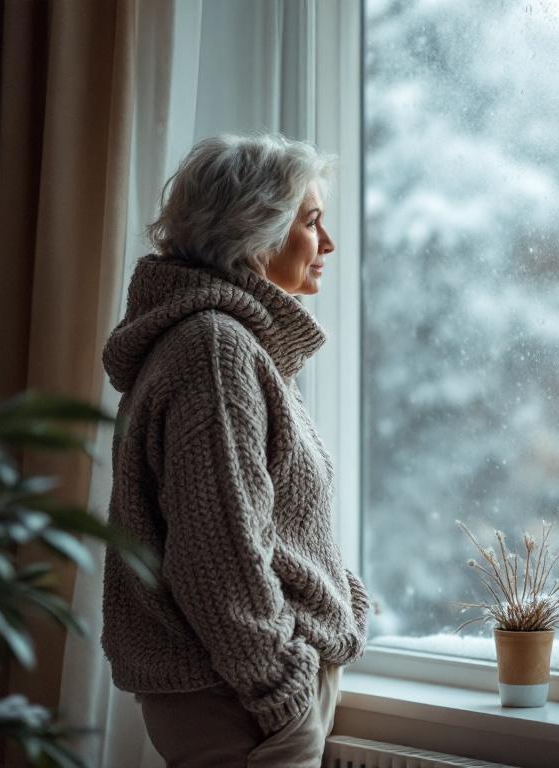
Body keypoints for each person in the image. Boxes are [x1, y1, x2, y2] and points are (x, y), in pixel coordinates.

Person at [99, 133, 369, 767]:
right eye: (311, 221)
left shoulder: (228, 344)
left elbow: (266, 528)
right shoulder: (216, 351)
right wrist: (281, 691)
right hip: (238, 703)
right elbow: (218, 549)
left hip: (236, 693)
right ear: (256, 235)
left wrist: (337, 595)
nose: (327, 243)